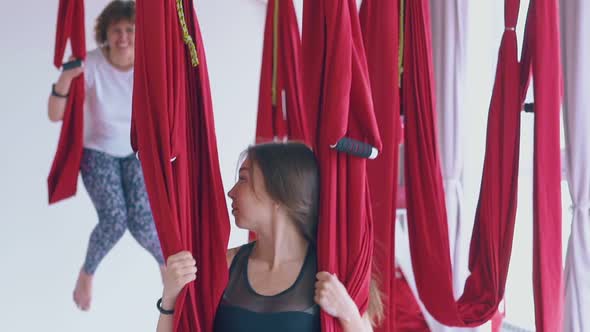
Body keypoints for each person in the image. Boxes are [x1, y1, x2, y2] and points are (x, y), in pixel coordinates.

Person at [156, 142, 383, 332]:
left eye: (243, 179)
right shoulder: (226, 266)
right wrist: (170, 299)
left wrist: (348, 312)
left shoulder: (328, 274)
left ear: (279, 192)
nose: (231, 192)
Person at [47, 0, 164, 311]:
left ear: (139, 34)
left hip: (135, 153)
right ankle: (87, 275)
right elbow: (55, 114)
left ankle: (167, 269)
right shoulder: (92, 65)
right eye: (116, 31)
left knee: (143, 223)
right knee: (114, 219)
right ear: (105, 33)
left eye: (129, 30)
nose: (123, 37)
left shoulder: (150, 65)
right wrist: (64, 80)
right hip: (97, 152)